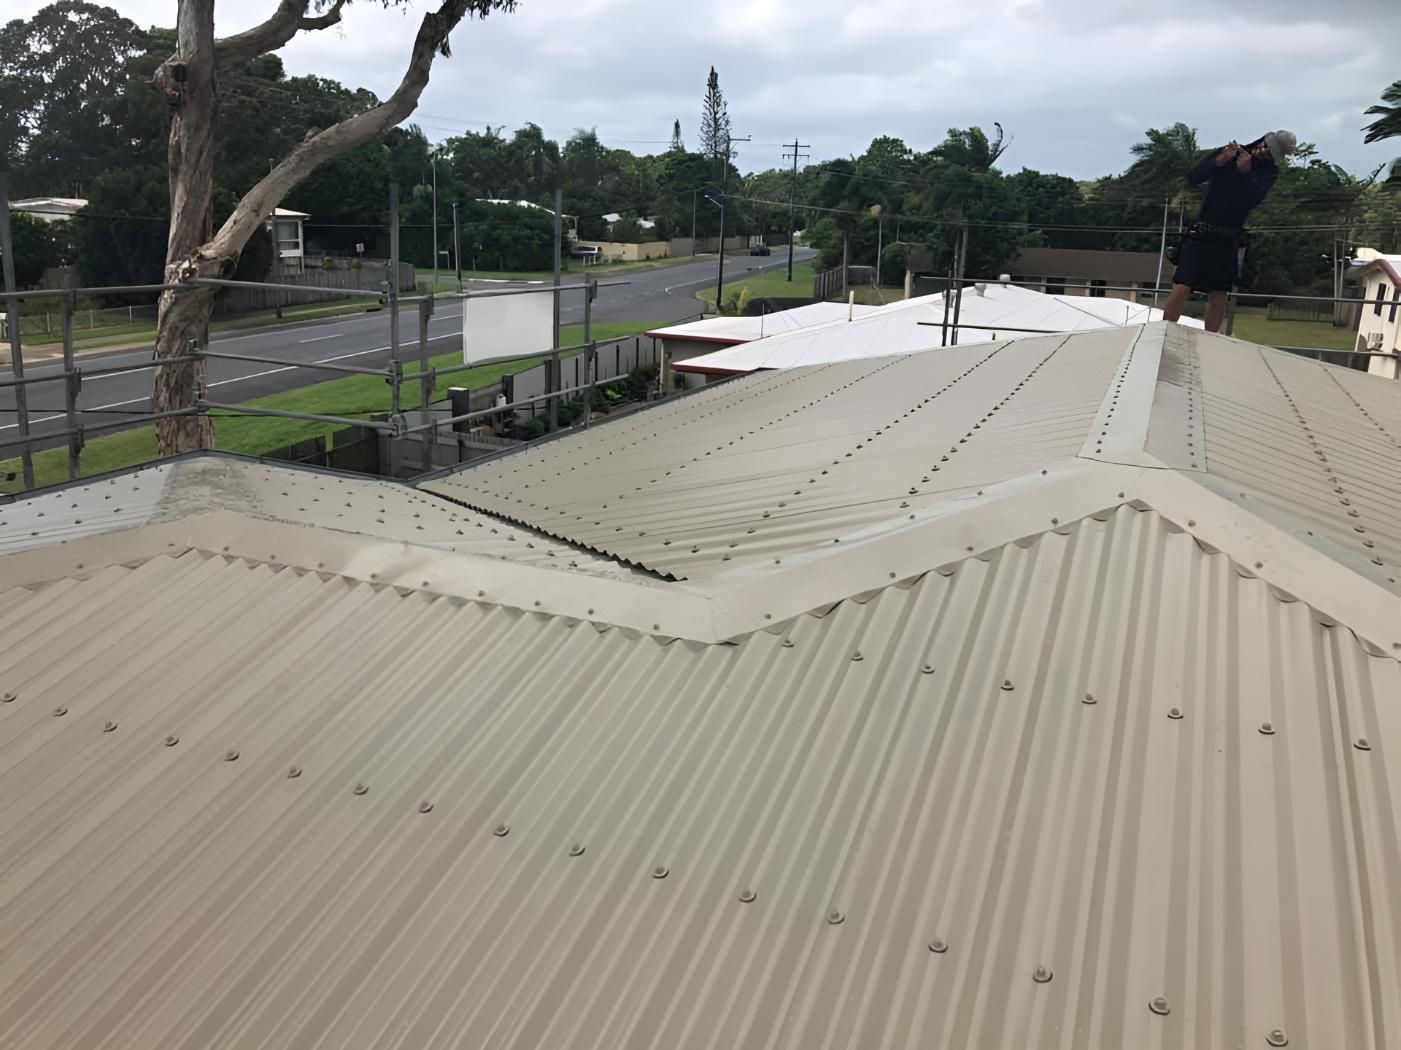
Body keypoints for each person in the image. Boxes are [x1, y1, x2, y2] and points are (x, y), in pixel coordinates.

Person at [1163, 130, 1296, 332]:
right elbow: (1194, 177)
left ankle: (1210, 340)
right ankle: (1166, 330)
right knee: (1182, 287)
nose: (1264, 153)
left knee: (1219, 295)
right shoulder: (1229, 153)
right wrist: (1220, 160)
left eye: (1271, 153)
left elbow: (1252, 200)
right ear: (1262, 141)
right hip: (1202, 232)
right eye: (1265, 147)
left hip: (1228, 238)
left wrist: (1247, 173)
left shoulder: (1268, 173)